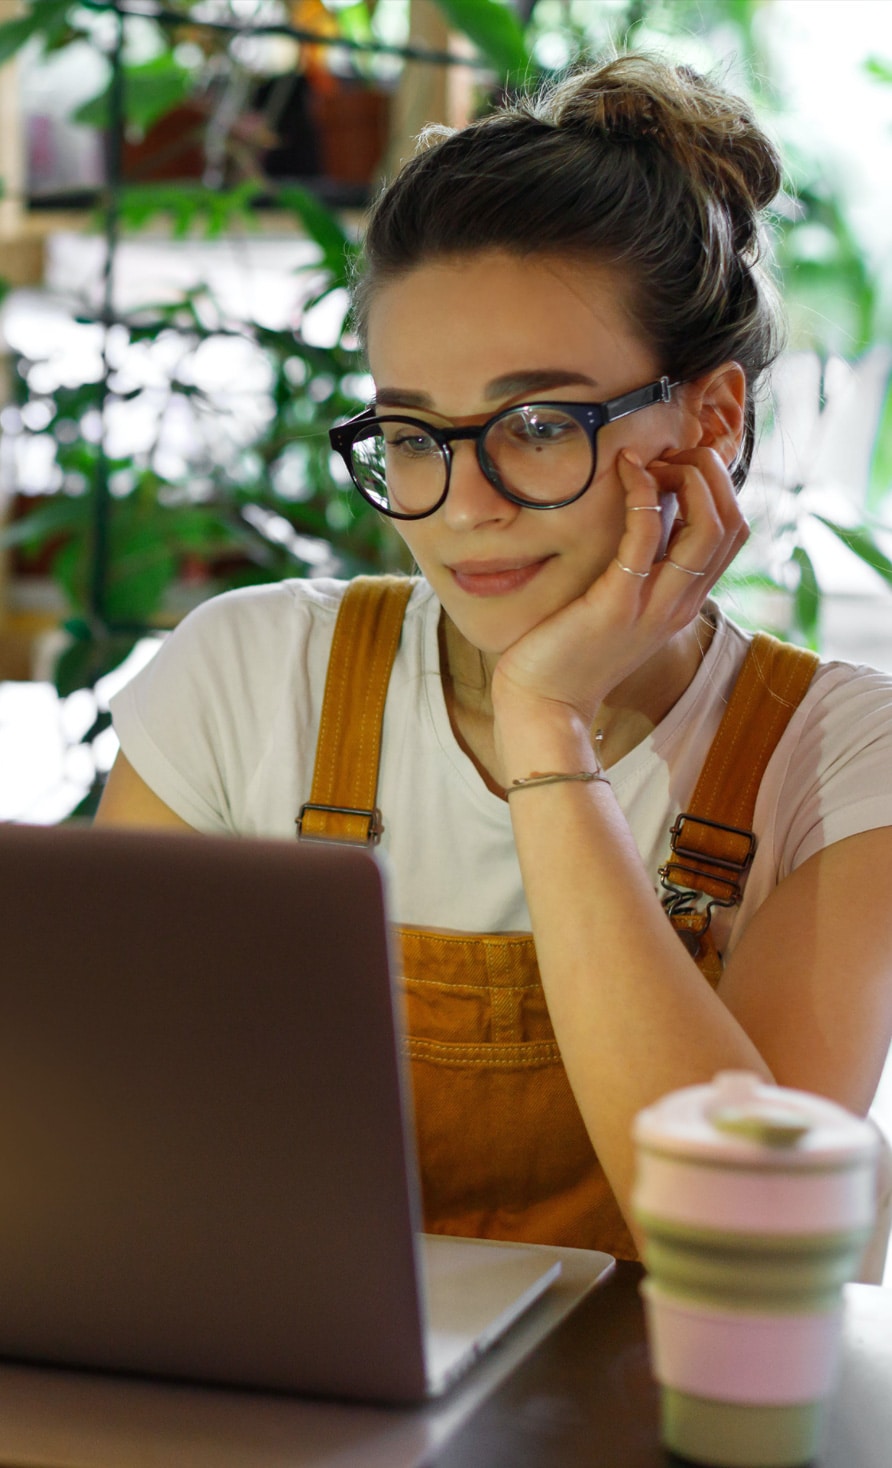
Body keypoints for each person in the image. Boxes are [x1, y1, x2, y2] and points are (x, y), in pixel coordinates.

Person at [96, 53, 892, 1260]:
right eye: (414, 433)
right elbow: (103, 1145)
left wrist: (545, 733)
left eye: (536, 425)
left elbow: (745, 1238)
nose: (460, 503)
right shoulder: (249, 674)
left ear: (709, 419)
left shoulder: (836, 756)